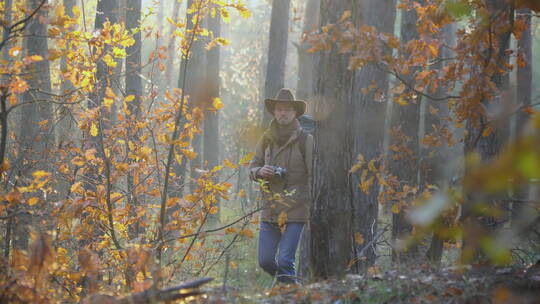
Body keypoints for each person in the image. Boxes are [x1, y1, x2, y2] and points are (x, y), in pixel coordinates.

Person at [249, 88, 313, 284]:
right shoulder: (265, 139)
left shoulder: (305, 140)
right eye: (279, 109)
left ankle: (289, 297)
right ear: (274, 112)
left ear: (295, 113)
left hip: (296, 211)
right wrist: (259, 172)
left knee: (285, 260)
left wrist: (306, 201)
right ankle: (292, 289)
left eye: (287, 110)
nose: (282, 113)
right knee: (265, 260)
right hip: (270, 210)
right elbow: (253, 167)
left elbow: (314, 176)